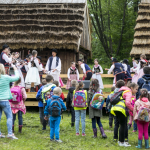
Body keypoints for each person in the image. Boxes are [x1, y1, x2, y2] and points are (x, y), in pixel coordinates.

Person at [111, 82, 138, 147]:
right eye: (136, 89)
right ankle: (122, 142)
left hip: (116, 108)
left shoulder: (123, 90)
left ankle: (120, 141)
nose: (137, 91)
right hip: (120, 109)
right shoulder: (128, 92)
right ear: (131, 88)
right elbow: (128, 103)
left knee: (121, 125)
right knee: (123, 125)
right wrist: (133, 110)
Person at [0, 64, 19, 139]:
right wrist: (15, 70)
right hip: (4, 100)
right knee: (9, 117)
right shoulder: (6, 77)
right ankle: (10, 134)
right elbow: (17, 78)